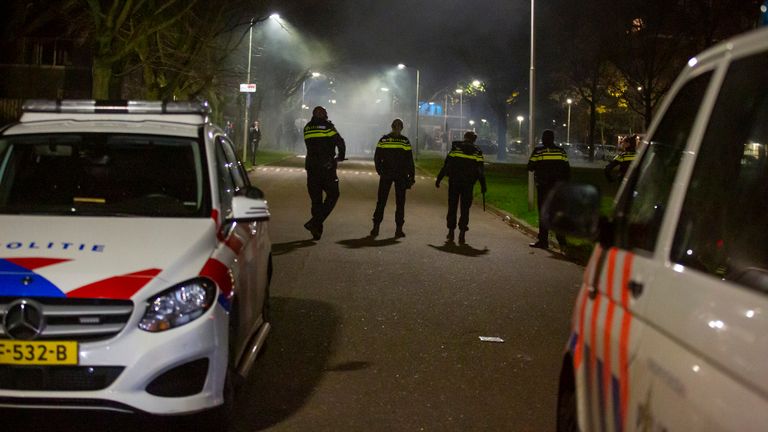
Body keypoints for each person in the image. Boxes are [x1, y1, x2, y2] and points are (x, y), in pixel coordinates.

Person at [435, 131, 487, 245]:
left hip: (454, 182)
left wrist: (439, 179)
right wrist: (483, 186)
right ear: (474, 140)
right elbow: (480, 171)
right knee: (465, 209)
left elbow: (447, 165)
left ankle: (451, 231)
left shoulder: (456, 148)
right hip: (468, 184)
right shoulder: (477, 151)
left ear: (464, 138)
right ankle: (462, 233)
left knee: (452, 207)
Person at [303, 106, 346, 240]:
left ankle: (316, 230)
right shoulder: (328, 127)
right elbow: (340, 142)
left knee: (316, 201)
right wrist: (341, 156)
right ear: (323, 114)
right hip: (326, 168)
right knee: (333, 194)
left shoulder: (307, 128)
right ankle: (315, 223)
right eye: (325, 113)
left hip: (311, 167)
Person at [370, 118, 415, 238]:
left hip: (387, 174)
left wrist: (380, 170)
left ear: (392, 126)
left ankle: (376, 227)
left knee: (381, 201)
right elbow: (409, 160)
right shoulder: (404, 141)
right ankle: (398, 229)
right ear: (401, 127)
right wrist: (412, 175)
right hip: (400, 175)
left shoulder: (384, 139)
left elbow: (377, 157)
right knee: (400, 203)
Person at [527, 129, 570, 250]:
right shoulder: (561, 151)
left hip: (543, 187)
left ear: (542, 138)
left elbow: (530, 167)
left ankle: (543, 241)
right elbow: (567, 169)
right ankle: (562, 242)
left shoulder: (538, 151)